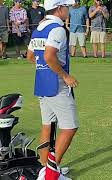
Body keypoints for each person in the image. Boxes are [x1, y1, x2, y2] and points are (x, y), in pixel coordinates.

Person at [27, 0, 79, 178]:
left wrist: (44, 69)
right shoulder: (57, 28)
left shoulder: (39, 28)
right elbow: (49, 56)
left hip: (42, 83)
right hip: (57, 85)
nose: (69, 11)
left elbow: (31, 56)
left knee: (47, 127)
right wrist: (65, 76)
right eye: (67, 7)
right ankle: (50, 173)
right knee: (69, 128)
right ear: (59, 8)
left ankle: (44, 170)